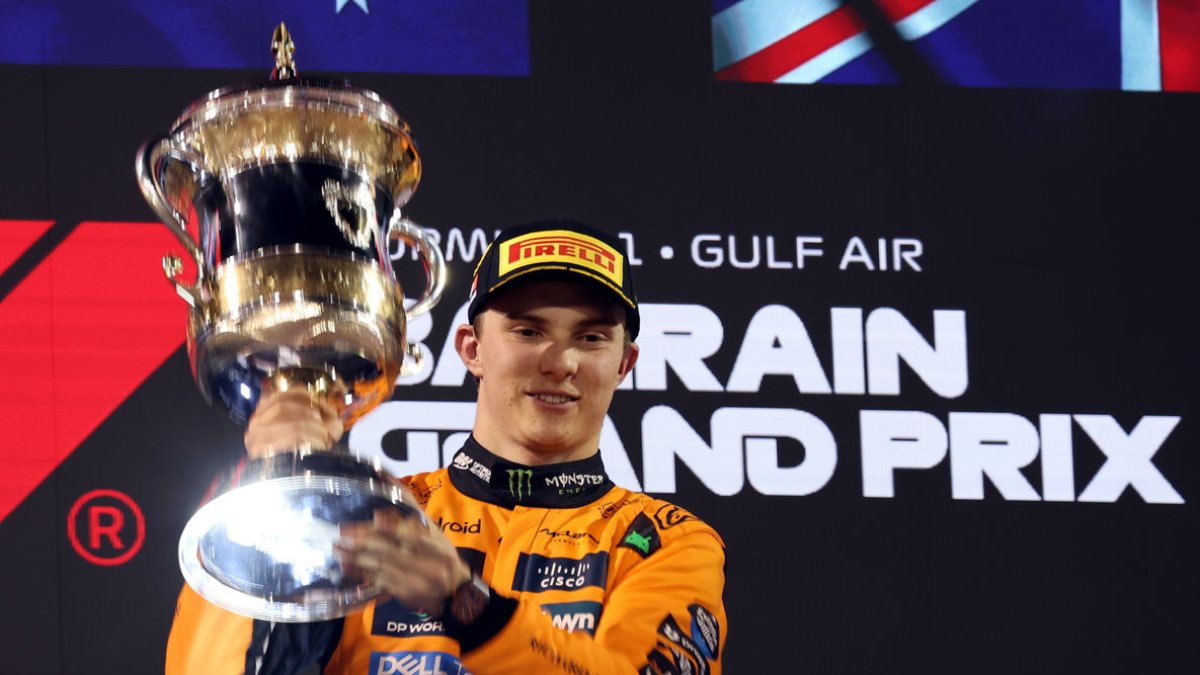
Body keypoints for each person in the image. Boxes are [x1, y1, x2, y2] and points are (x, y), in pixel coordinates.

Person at [166, 219, 727, 674]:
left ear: (624, 363)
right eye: (528, 331)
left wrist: (466, 604)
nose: (561, 363)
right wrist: (276, 485)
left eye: (592, 337)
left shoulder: (665, 542)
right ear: (472, 349)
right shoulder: (374, 515)